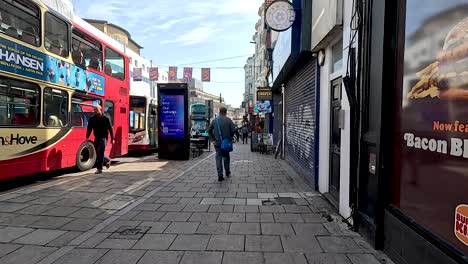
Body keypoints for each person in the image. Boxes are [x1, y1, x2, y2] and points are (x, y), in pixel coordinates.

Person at [208, 107, 236, 181]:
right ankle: (227, 171)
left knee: (218, 158)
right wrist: (230, 137)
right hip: (226, 142)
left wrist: (212, 140)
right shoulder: (229, 120)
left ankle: (220, 175)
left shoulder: (214, 120)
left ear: (219, 112)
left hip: (217, 143)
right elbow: (233, 130)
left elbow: (209, 130)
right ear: (226, 112)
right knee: (226, 156)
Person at [86, 105, 114, 174]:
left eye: (96, 109)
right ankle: (107, 160)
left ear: (100, 109)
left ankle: (99, 169)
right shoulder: (92, 118)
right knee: (98, 152)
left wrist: (112, 139)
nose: (95, 110)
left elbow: (110, 129)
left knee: (100, 152)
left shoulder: (105, 118)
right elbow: (89, 128)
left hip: (104, 137)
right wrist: (87, 137)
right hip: (97, 137)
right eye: (94, 109)